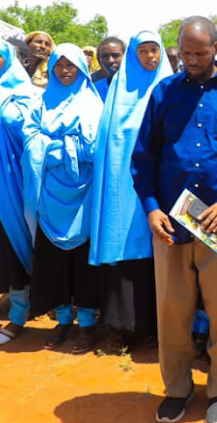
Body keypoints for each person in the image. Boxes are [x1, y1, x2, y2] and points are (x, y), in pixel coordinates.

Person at [130, 16, 217, 423]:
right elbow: (144, 157)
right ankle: (177, 388)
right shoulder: (164, 92)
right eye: (186, 53)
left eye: (200, 52)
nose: (191, 60)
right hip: (172, 224)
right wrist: (152, 206)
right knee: (173, 311)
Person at [89, 30, 173, 353]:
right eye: (143, 51)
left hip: (159, 191)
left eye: (155, 50)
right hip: (122, 194)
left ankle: (156, 329)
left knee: (159, 258)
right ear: (133, 55)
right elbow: (107, 147)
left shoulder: (169, 89)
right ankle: (121, 329)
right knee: (125, 257)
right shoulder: (117, 94)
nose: (150, 57)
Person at [22, 44, 104, 354]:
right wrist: (67, 149)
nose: (66, 71)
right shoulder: (41, 102)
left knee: (82, 261)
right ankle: (63, 318)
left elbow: (94, 148)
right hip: (50, 194)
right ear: (52, 68)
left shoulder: (92, 104)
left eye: (72, 65)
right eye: (60, 65)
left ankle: (86, 322)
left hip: (84, 195)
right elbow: (31, 141)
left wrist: (55, 149)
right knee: (54, 261)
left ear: (81, 68)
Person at [0, 40, 38, 345]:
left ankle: (19, 314)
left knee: (14, 247)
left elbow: (30, 135)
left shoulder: (24, 95)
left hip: (12, 183)